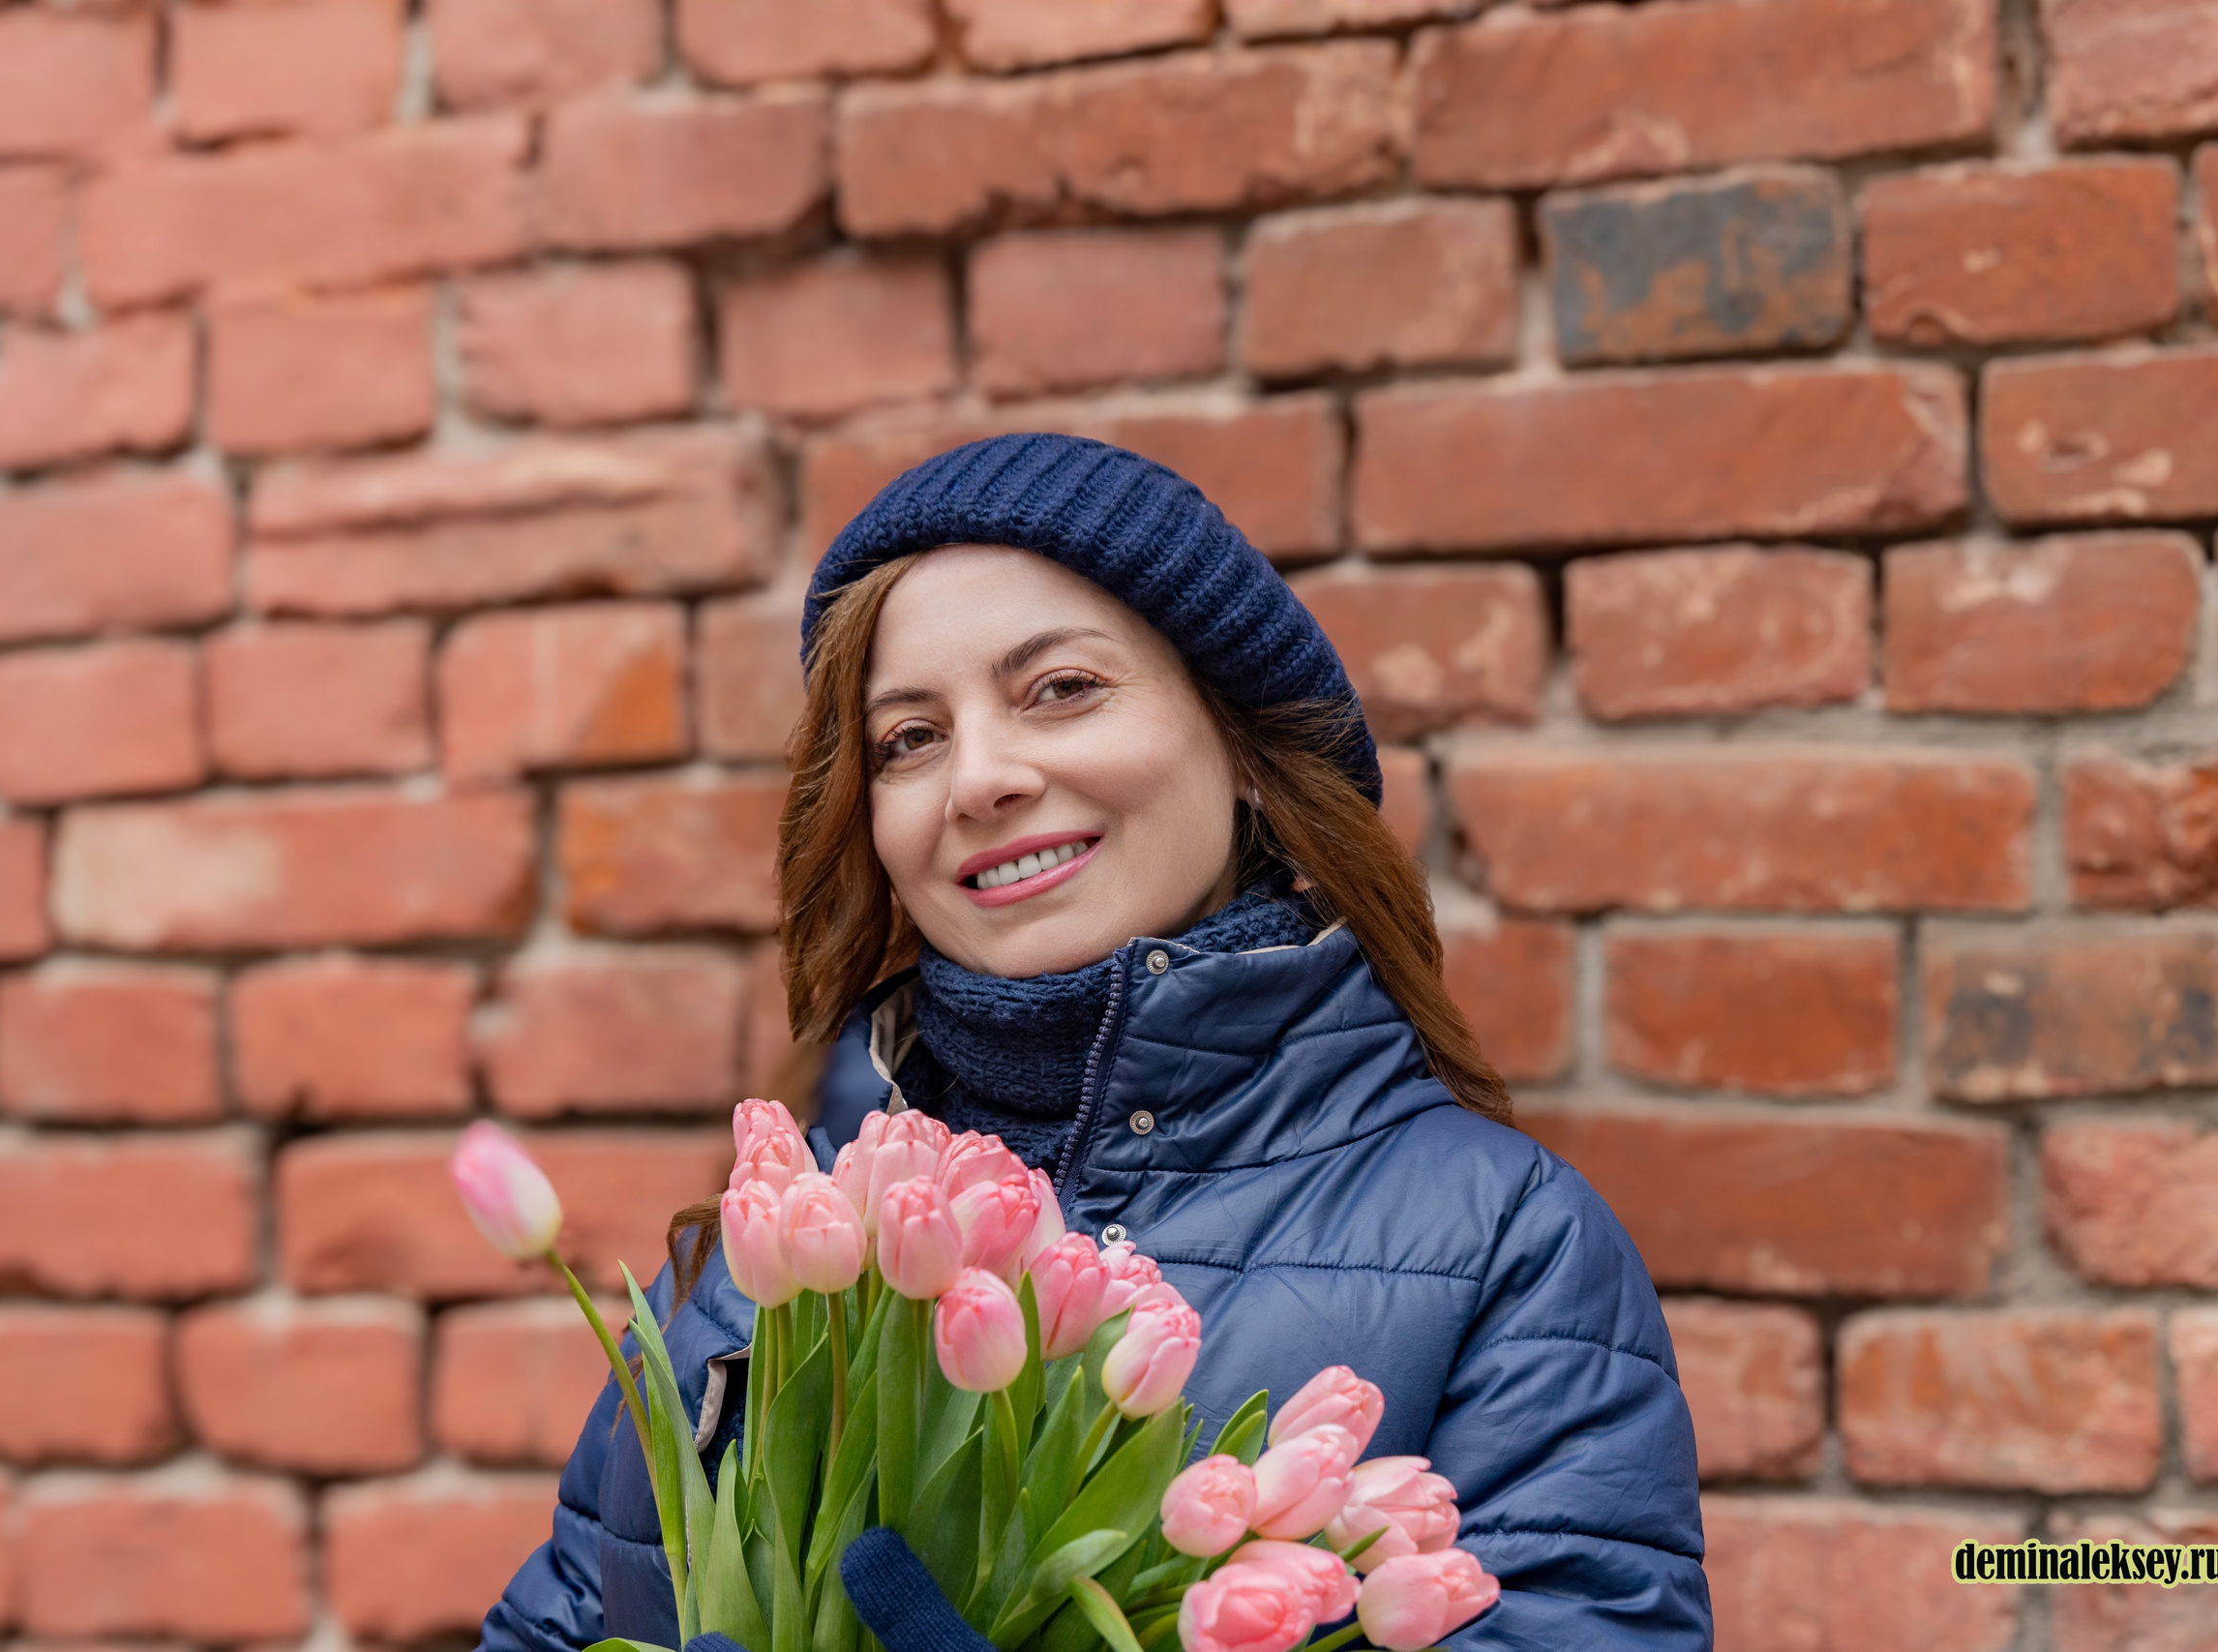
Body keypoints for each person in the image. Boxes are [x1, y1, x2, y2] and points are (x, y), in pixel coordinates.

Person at [476, 435, 1710, 1652]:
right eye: (909, 738)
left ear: (1241, 747)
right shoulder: (794, 1234)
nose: (981, 778)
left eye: (1060, 689)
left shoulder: (1504, 1245)